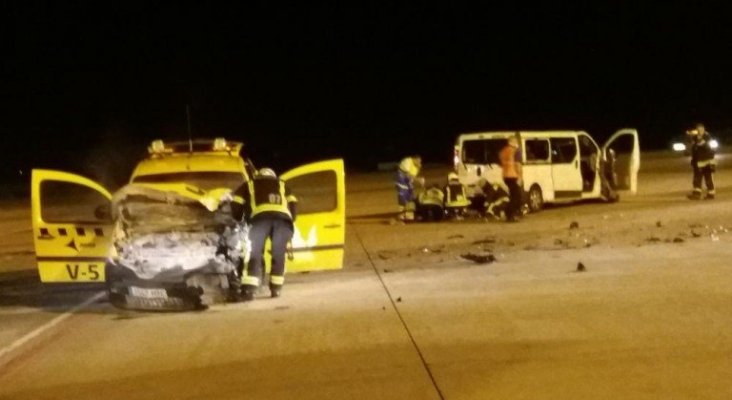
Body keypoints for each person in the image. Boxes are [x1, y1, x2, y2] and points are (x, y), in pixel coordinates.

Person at [234, 167, 297, 300]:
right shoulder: (283, 184)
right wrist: (291, 220)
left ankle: (249, 290)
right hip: (282, 221)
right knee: (278, 254)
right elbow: (293, 203)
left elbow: (236, 202)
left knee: (254, 252)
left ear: (258, 176)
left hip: (260, 220)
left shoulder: (249, 184)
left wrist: (239, 218)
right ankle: (276, 289)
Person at [687, 123, 716, 200]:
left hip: (707, 161)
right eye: (698, 130)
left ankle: (711, 193)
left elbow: (701, 144)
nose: (700, 131)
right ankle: (696, 194)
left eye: (701, 130)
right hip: (699, 161)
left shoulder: (707, 137)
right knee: (697, 178)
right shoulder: (695, 137)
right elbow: (693, 148)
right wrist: (690, 136)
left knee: (708, 178)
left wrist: (695, 138)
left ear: (704, 129)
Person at [499, 136, 523, 222]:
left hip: (505, 176)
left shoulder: (503, 151)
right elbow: (517, 164)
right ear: (512, 141)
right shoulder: (516, 151)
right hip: (513, 175)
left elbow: (502, 162)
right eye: (516, 141)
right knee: (516, 197)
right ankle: (510, 214)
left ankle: (509, 214)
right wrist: (520, 177)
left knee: (513, 195)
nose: (517, 143)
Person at [395, 155, 423, 221]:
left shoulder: (416, 167)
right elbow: (407, 174)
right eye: (418, 160)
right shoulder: (407, 161)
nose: (419, 162)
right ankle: (401, 214)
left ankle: (409, 214)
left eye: (420, 161)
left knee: (411, 196)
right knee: (402, 195)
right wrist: (419, 180)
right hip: (401, 179)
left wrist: (418, 169)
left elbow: (412, 177)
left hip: (407, 181)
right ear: (414, 159)